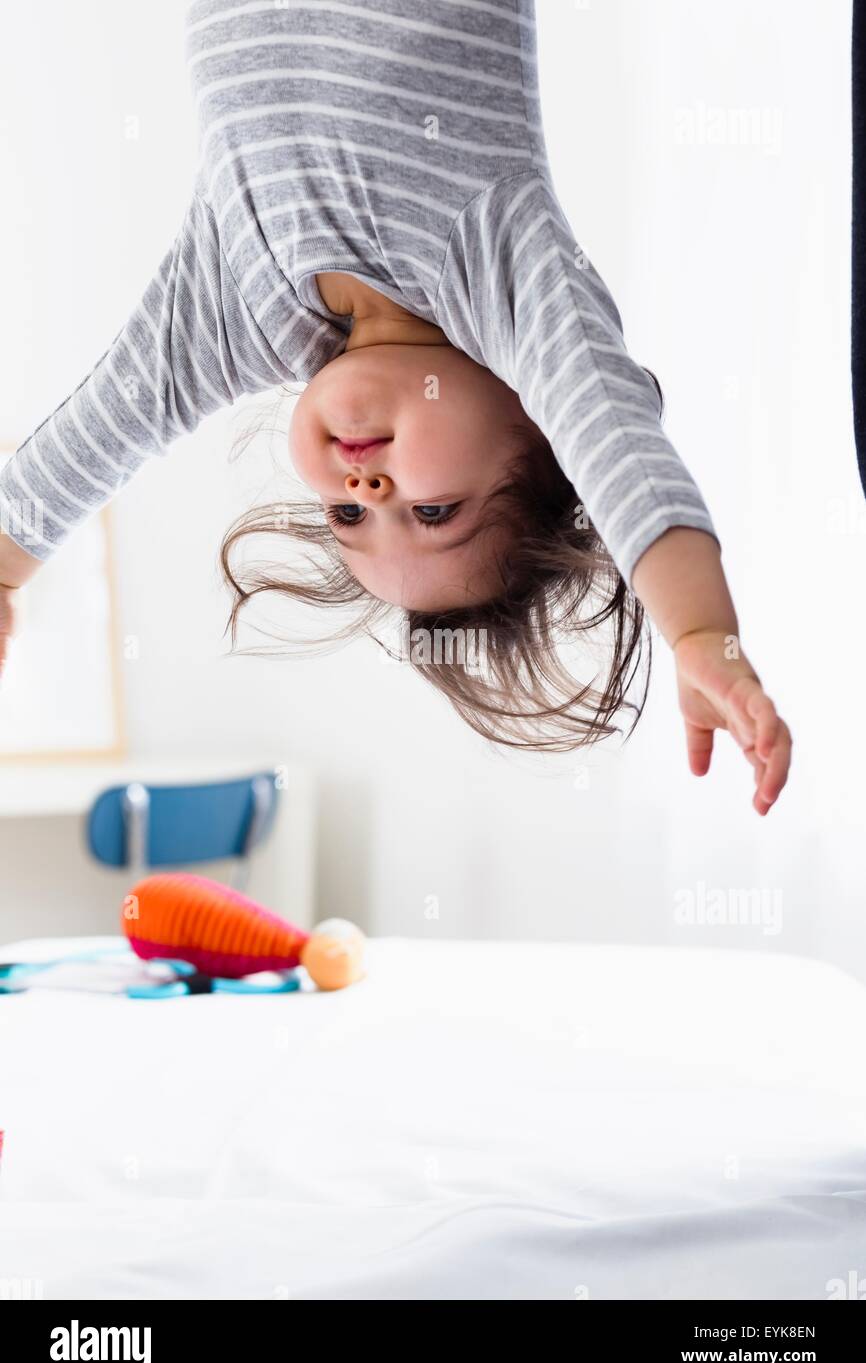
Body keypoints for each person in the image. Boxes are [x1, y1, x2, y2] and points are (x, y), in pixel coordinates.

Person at [0, 0, 790, 808]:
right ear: (543, 416)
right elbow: (618, 439)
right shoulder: (499, 262)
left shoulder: (240, 301)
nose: (368, 493)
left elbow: (102, 429)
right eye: (436, 510)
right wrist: (699, 631)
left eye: (348, 520)